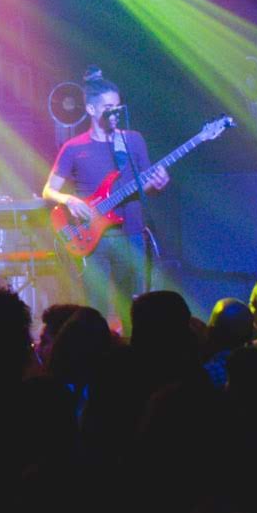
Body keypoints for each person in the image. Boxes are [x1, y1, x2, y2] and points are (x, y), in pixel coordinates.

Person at [41, 70, 168, 329]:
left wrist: (159, 183)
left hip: (131, 233)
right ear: (90, 108)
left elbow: (147, 186)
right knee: (94, 308)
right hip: (92, 237)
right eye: (108, 107)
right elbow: (48, 191)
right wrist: (68, 199)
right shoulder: (74, 147)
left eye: (118, 106)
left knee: (134, 307)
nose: (115, 112)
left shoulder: (132, 140)